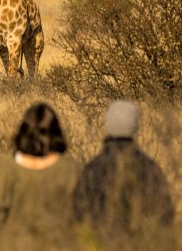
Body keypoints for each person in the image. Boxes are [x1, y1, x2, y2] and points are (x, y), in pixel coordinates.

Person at [73, 100, 174, 234]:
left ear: (108, 124)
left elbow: (78, 213)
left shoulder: (93, 169)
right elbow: (165, 216)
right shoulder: (149, 168)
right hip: (141, 249)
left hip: (99, 249)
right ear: (136, 126)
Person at [0, 102, 81, 234]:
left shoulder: (7, 165)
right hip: (59, 248)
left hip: (12, 247)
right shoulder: (70, 167)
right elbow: (81, 215)